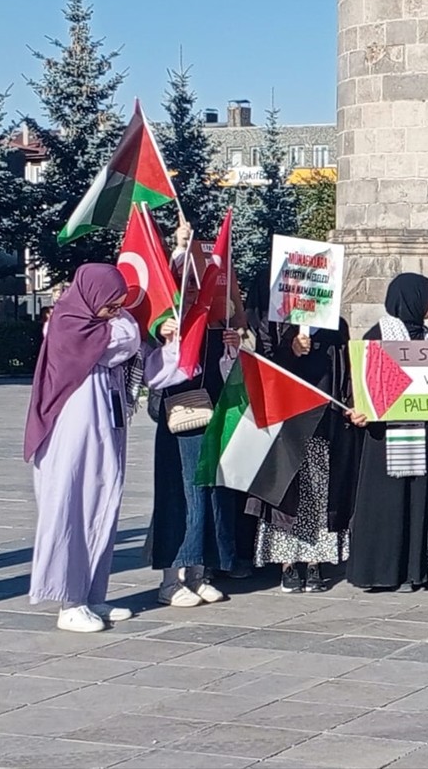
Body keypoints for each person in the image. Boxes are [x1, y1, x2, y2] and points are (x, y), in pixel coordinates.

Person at [24, 264, 184, 632]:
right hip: (72, 429)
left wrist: (171, 342)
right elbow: (122, 341)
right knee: (72, 506)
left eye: (118, 306)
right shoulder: (68, 322)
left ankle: (92, 594)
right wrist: (132, 323)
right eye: (110, 305)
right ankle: (69, 601)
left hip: (105, 424)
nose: (116, 312)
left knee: (102, 503)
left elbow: (146, 363)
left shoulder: (106, 326)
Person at [347, 273, 428, 592]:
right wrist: (359, 409)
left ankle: (426, 568)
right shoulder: (378, 335)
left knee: (424, 499)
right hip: (389, 440)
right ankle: (391, 570)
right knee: (394, 503)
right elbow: (364, 385)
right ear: (412, 299)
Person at [151, 234, 244, 606]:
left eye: (195, 290)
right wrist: (166, 338)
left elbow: (225, 372)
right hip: (180, 421)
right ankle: (172, 576)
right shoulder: (166, 326)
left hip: (213, 417)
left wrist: (231, 349)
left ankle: (202, 569)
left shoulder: (210, 326)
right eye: (184, 289)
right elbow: (153, 375)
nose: (190, 297)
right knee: (183, 493)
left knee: (211, 492)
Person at [253, 320, 352, 592]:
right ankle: (288, 562)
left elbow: (345, 370)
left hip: (324, 420)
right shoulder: (275, 323)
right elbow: (265, 366)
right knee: (287, 491)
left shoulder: (336, 325)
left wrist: (351, 404)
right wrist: (290, 349)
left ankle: (313, 559)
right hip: (287, 421)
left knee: (319, 491)